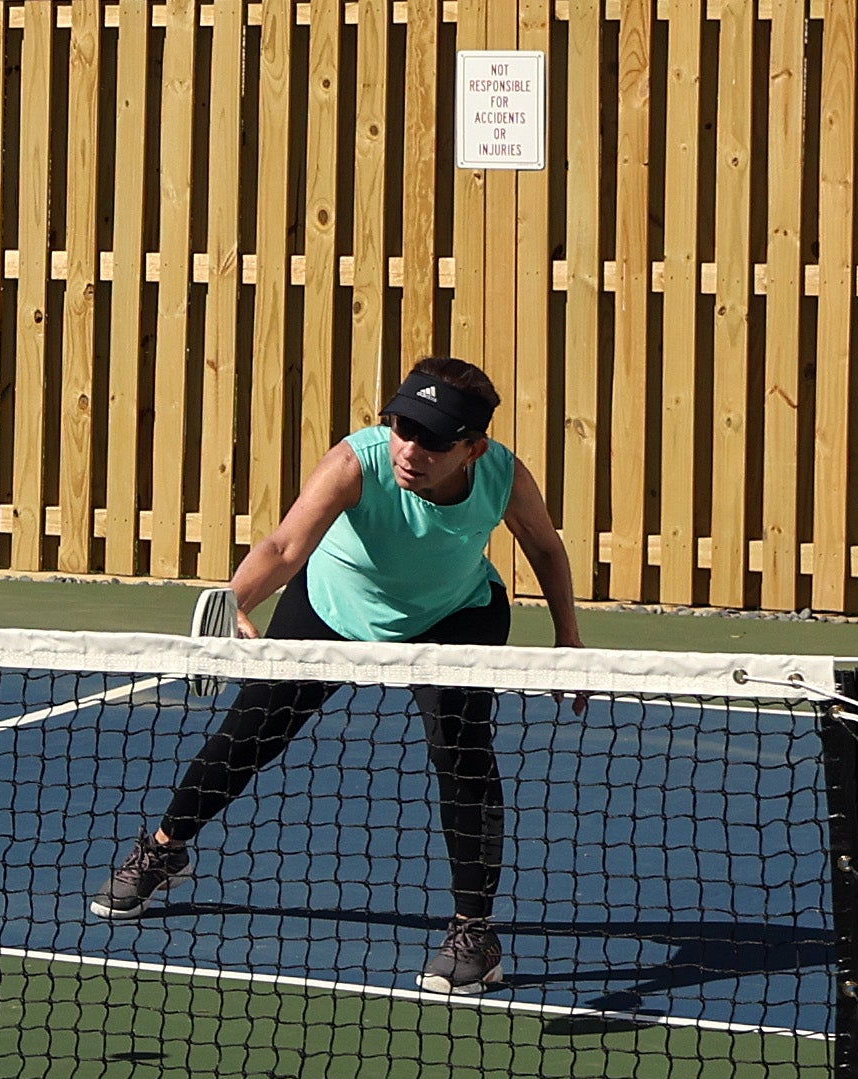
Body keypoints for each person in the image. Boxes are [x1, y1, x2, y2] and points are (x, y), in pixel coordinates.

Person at [91, 356, 586, 996]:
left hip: (455, 615)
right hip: (333, 607)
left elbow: (544, 545)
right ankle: (164, 848)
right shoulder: (359, 461)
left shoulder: (502, 475)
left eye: (434, 440)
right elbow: (284, 547)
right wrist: (235, 601)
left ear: (473, 447)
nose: (411, 449)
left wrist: (569, 638)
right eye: (403, 427)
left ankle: (474, 931)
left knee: (463, 757)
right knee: (248, 734)